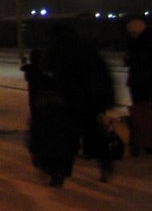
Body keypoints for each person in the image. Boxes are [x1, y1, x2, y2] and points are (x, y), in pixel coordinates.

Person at [33, 24, 116, 186]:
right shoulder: (87, 48)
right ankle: (105, 165)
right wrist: (105, 99)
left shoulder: (55, 50)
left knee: (64, 140)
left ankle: (58, 174)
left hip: (66, 102)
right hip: (89, 101)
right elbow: (102, 74)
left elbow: (46, 74)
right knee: (93, 135)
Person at [125, 18, 152, 155]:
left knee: (139, 113)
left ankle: (140, 142)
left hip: (139, 82)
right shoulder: (143, 42)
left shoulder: (136, 44)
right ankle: (145, 143)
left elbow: (134, 61)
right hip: (143, 82)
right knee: (145, 112)